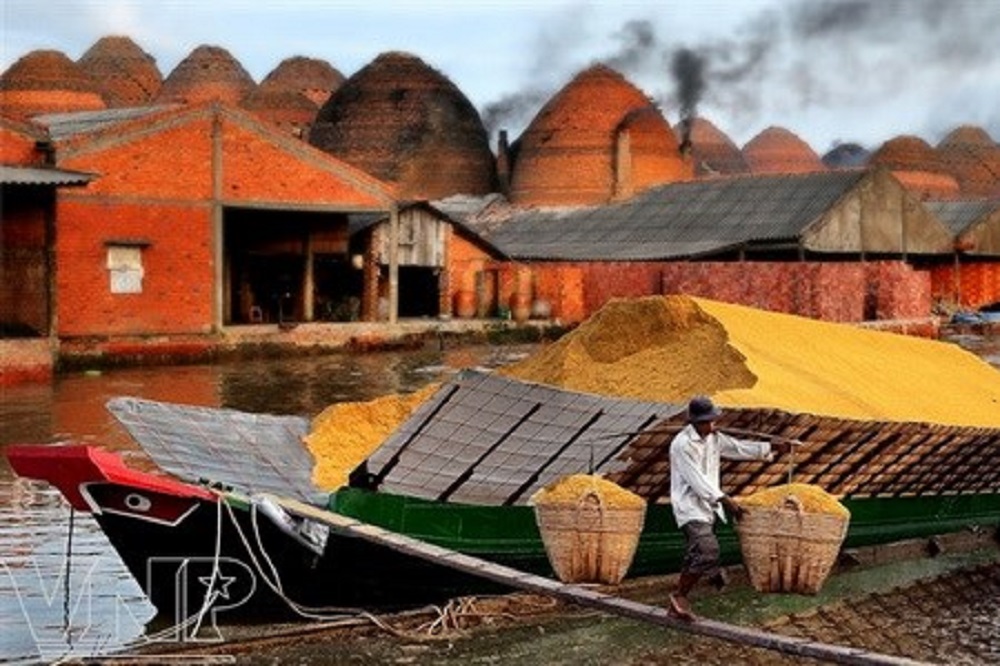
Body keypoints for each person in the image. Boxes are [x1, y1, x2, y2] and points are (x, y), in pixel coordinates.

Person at [667, 395, 789, 621]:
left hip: (707, 507)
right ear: (695, 422)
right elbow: (697, 481)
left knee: (699, 551)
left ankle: (707, 575)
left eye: (713, 421)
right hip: (690, 506)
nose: (713, 425)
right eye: (708, 422)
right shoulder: (682, 445)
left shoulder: (714, 439)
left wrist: (772, 447)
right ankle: (679, 596)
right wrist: (727, 500)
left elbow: (738, 448)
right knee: (707, 549)